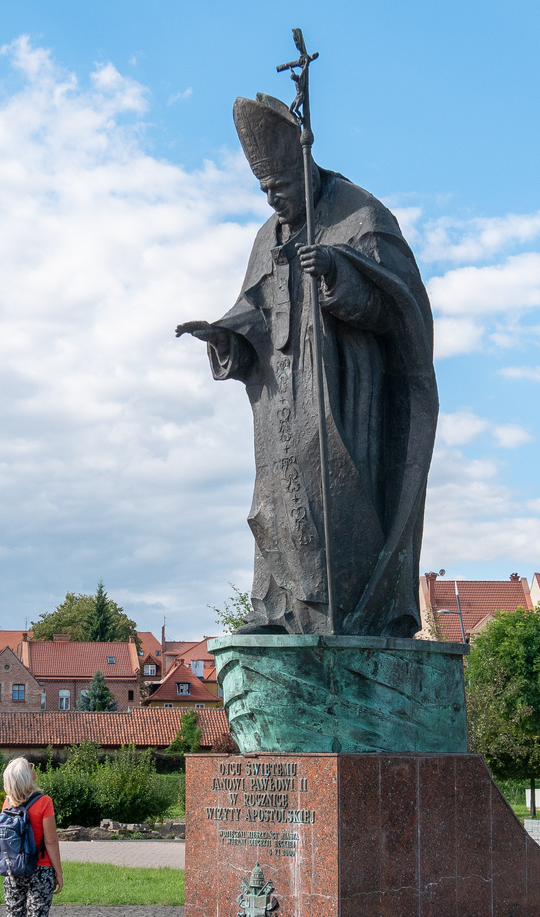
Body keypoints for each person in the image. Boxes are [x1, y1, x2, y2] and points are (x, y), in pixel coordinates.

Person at [176, 93, 435, 638]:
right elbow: (253, 312)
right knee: (273, 502)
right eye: (265, 191)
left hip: (346, 398)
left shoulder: (361, 215)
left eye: (282, 188)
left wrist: (343, 275)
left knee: (338, 503)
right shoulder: (266, 237)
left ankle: (358, 618)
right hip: (281, 401)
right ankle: (276, 614)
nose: (274, 201)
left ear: (305, 168)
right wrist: (224, 335)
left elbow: (402, 310)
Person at [0, 756, 62, 917]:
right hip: (41, 870)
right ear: (27, 776)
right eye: (31, 767)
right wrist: (58, 872)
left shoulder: (7, 802)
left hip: (13, 871)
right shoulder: (44, 802)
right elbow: (51, 841)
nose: (35, 769)